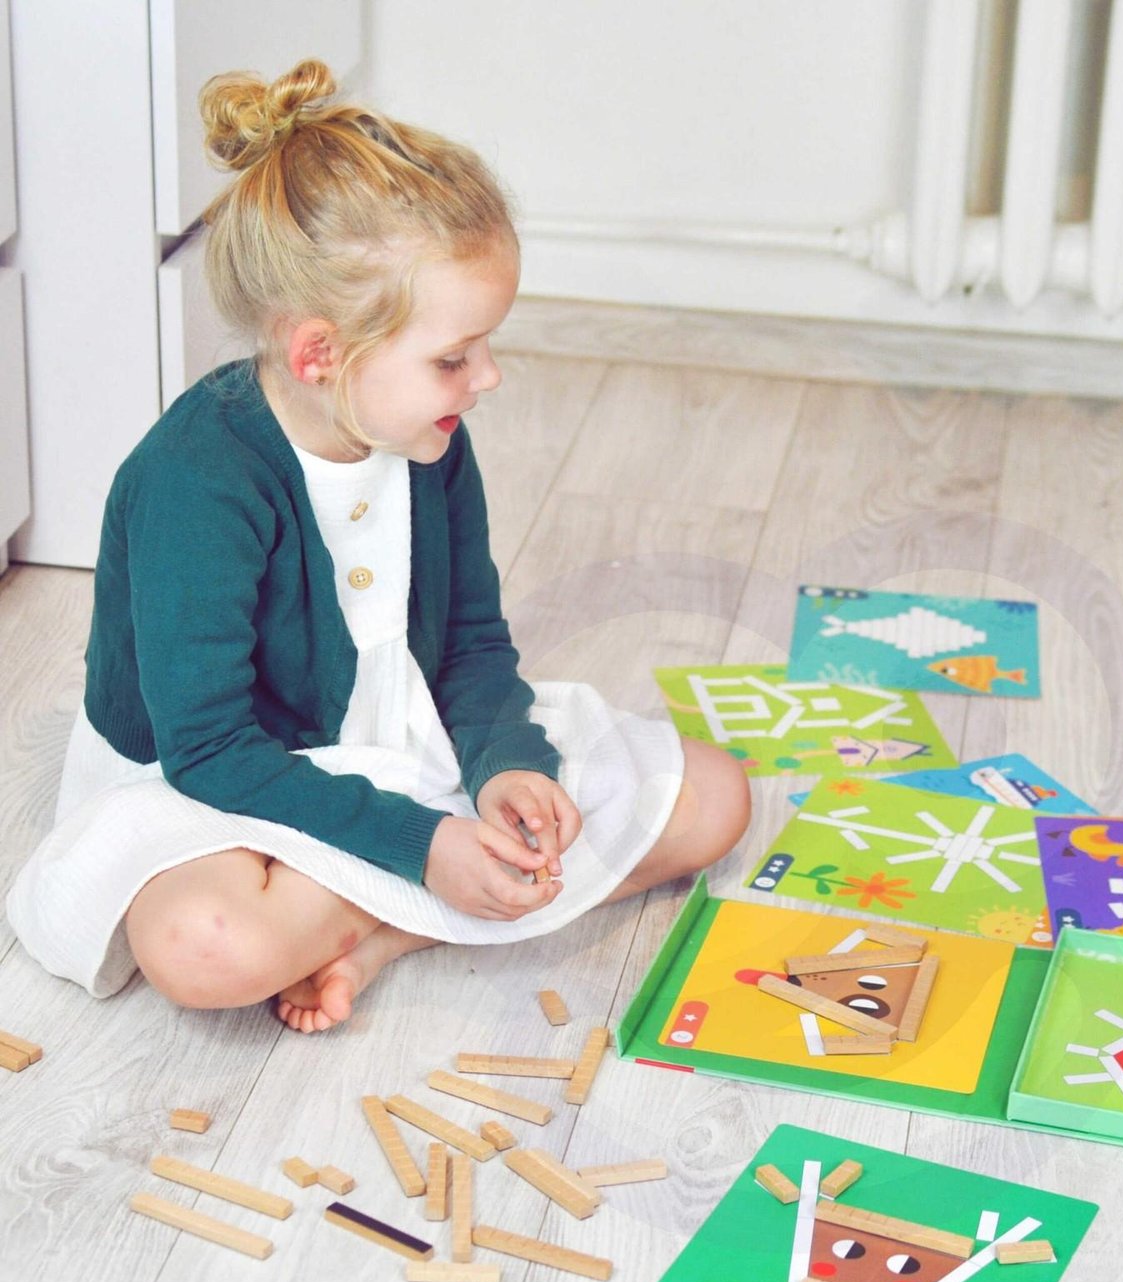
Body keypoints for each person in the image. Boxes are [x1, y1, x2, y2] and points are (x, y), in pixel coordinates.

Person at [5, 59, 749, 1032]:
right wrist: (425, 846)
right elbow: (210, 751)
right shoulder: (197, 481)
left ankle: (382, 930)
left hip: (401, 744)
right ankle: (414, 895)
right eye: (454, 356)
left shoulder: (429, 435)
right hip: (228, 785)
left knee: (715, 799)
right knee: (204, 945)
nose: (486, 377)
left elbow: (471, 646)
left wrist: (507, 768)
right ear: (320, 353)